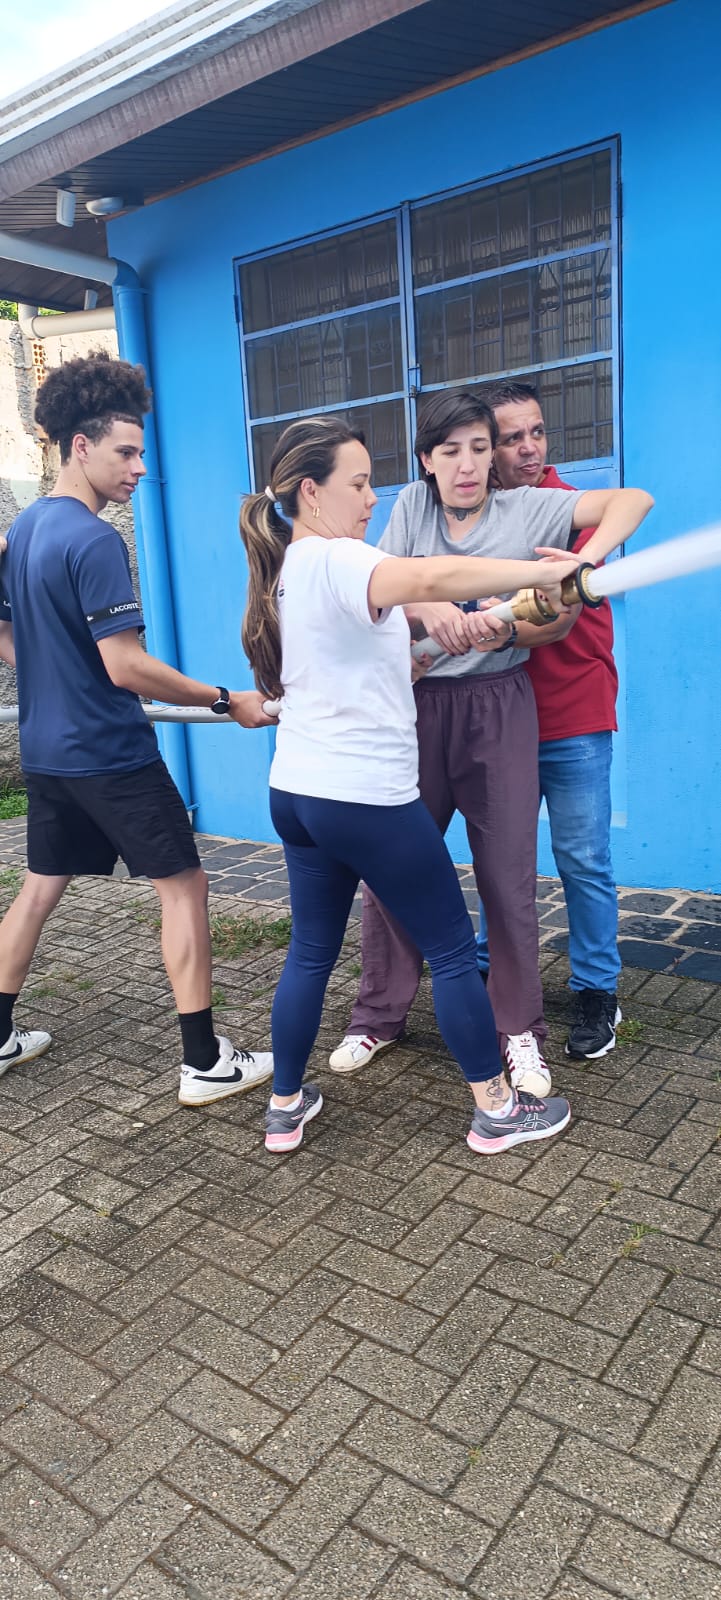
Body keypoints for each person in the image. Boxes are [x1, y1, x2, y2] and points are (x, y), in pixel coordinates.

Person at [239, 414, 582, 1156]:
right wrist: (535, 573)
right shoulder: (340, 558)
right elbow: (427, 576)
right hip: (363, 797)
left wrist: (416, 657)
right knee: (454, 952)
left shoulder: (289, 567)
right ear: (311, 491)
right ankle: (497, 1112)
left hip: (297, 792)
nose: (373, 499)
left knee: (309, 952)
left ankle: (284, 1108)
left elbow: (355, 661)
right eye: (360, 484)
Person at [329, 390, 653, 1094]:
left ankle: (519, 1032)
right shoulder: (410, 511)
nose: (468, 465)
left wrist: (583, 562)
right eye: (451, 451)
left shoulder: (529, 508)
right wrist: (430, 606)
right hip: (418, 707)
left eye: (480, 448)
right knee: (392, 863)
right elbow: (379, 583)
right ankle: (377, 1015)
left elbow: (634, 501)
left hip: (502, 703)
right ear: (426, 460)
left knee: (507, 877)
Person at [0, 350, 275, 1107]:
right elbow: (125, 666)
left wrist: (57, 667)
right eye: (125, 453)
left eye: (141, 453)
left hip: (48, 753)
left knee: (39, 888)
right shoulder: (93, 540)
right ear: (79, 446)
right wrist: (225, 698)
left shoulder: (26, 528)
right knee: (185, 886)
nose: (139, 468)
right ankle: (204, 1063)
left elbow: (12, 639)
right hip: (110, 754)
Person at [474, 381, 623, 1060]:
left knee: (582, 858)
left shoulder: (569, 509)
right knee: (502, 859)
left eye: (536, 431)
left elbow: (556, 614)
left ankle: (596, 989)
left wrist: (581, 562)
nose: (530, 448)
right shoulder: (473, 520)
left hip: (574, 713)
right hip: (503, 716)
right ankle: (495, 970)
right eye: (512, 438)